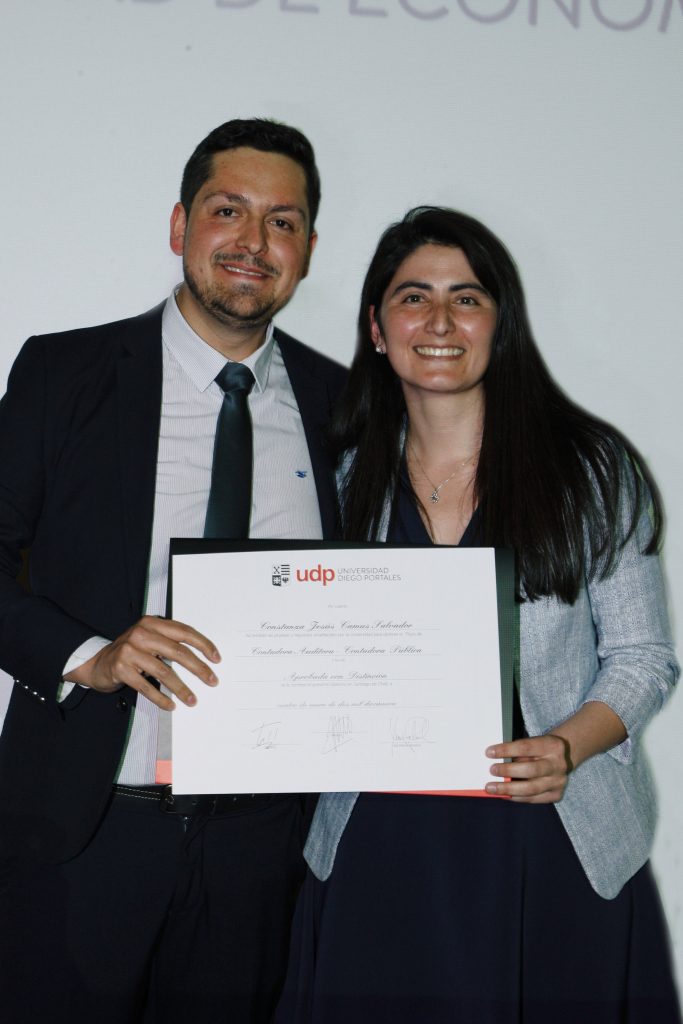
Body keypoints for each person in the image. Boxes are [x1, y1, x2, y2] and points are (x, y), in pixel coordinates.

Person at [276, 207, 681, 1022]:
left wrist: (564, 748)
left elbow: (643, 658)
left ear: (501, 323)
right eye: (413, 297)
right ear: (377, 328)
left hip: (544, 835)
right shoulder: (333, 475)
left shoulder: (589, 470)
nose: (438, 321)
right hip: (377, 842)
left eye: (465, 298)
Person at [0, 118, 346, 1024]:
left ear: (308, 250)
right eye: (228, 210)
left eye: (282, 221)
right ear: (179, 224)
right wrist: (89, 656)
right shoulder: (65, 373)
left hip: (262, 845)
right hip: (86, 826)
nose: (253, 241)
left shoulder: (344, 405)